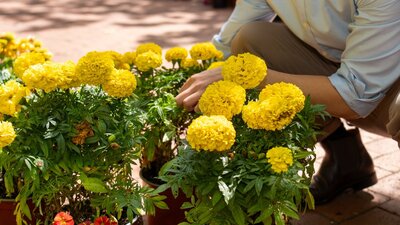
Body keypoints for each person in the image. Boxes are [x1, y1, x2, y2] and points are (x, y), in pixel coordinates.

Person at [176, 0, 400, 205]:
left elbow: (353, 96)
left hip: (384, 87)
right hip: (349, 66)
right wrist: (187, 84)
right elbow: (229, 40)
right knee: (250, 40)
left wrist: (249, 74)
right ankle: (346, 158)